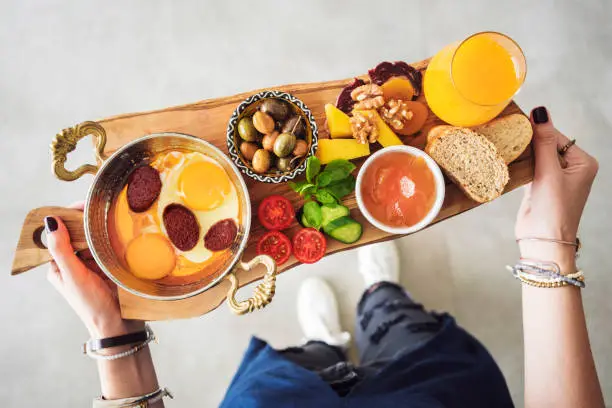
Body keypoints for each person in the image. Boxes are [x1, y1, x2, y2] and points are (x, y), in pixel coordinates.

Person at [42, 107, 604, 407]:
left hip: (278, 404)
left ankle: (326, 344)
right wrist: (548, 241)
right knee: (407, 332)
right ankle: (382, 306)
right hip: (433, 394)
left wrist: (114, 335)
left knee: (298, 364)